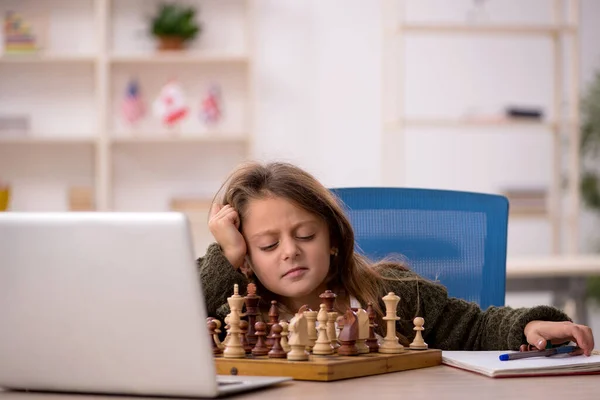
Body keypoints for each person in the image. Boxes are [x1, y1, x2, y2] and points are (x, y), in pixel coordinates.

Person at [197, 161, 595, 354]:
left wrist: (527, 325)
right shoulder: (230, 315)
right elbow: (163, 323)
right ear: (246, 259)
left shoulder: (390, 292)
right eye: (267, 246)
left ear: (334, 239)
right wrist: (225, 255)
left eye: (305, 235)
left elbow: (474, 327)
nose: (290, 251)